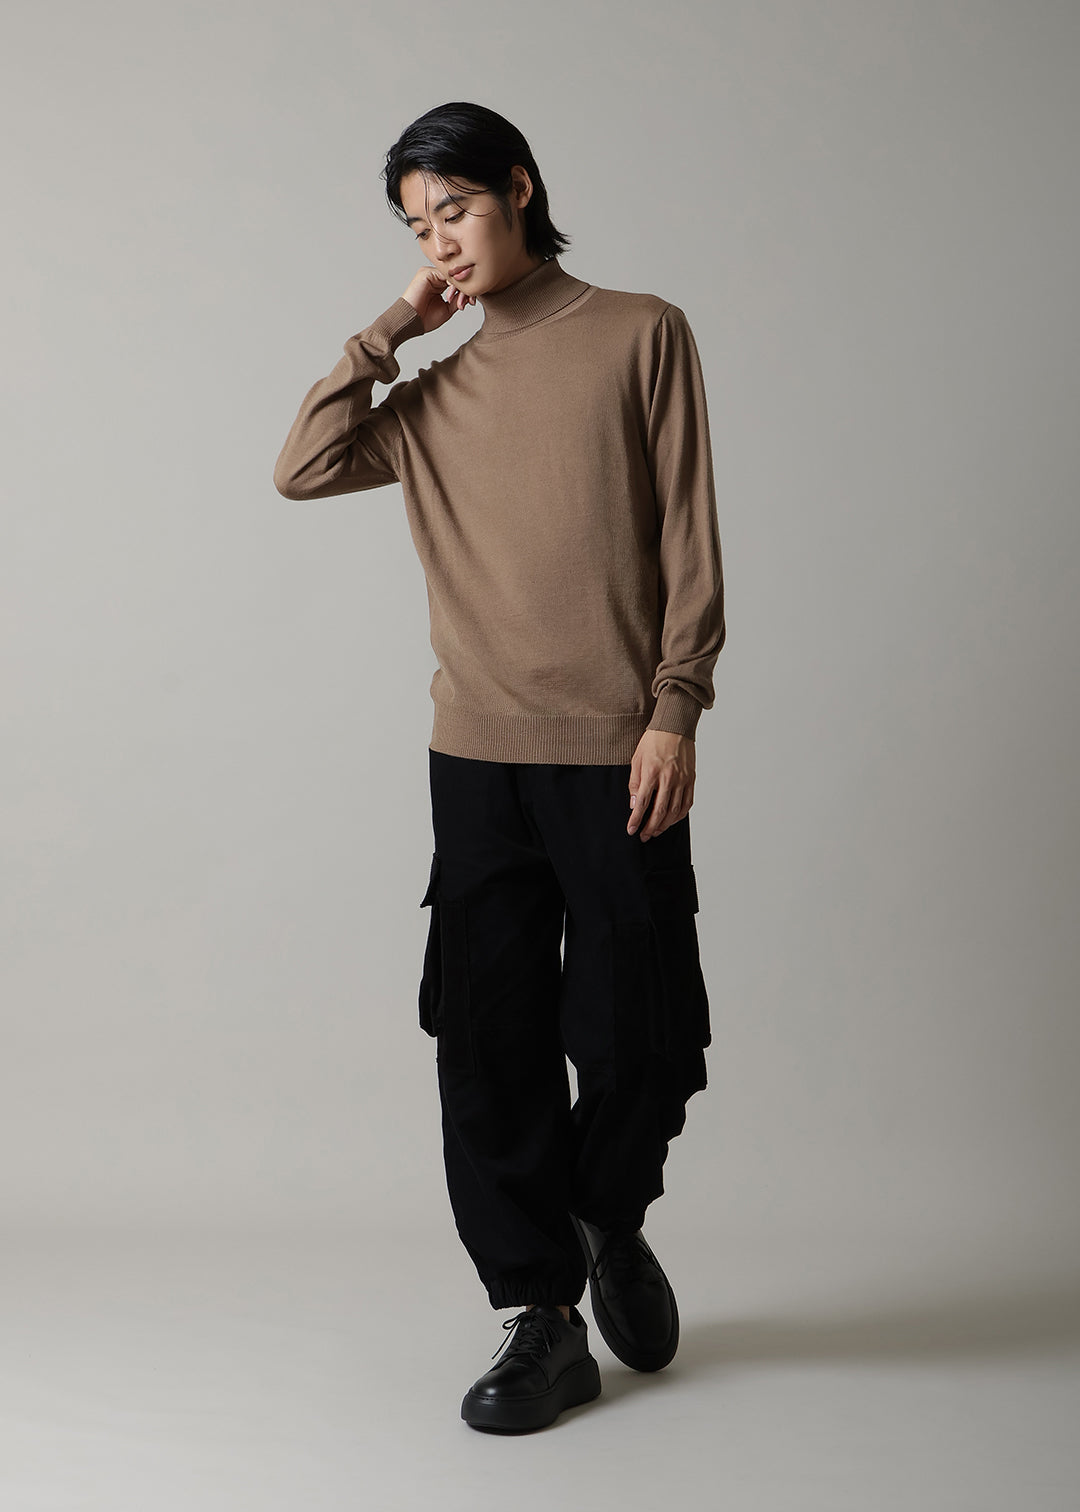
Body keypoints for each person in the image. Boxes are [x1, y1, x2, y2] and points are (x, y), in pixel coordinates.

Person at [273, 100, 726, 1434]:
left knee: (645, 1031)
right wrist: (390, 332)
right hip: (474, 759)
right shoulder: (430, 400)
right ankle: (540, 1315)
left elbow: (689, 532)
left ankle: (606, 1216)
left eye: (456, 210)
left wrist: (677, 707)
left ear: (519, 188)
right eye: (418, 228)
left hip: (617, 748)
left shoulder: (640, 333)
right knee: (489, 1041)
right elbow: (302, 467)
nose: (442, 244)